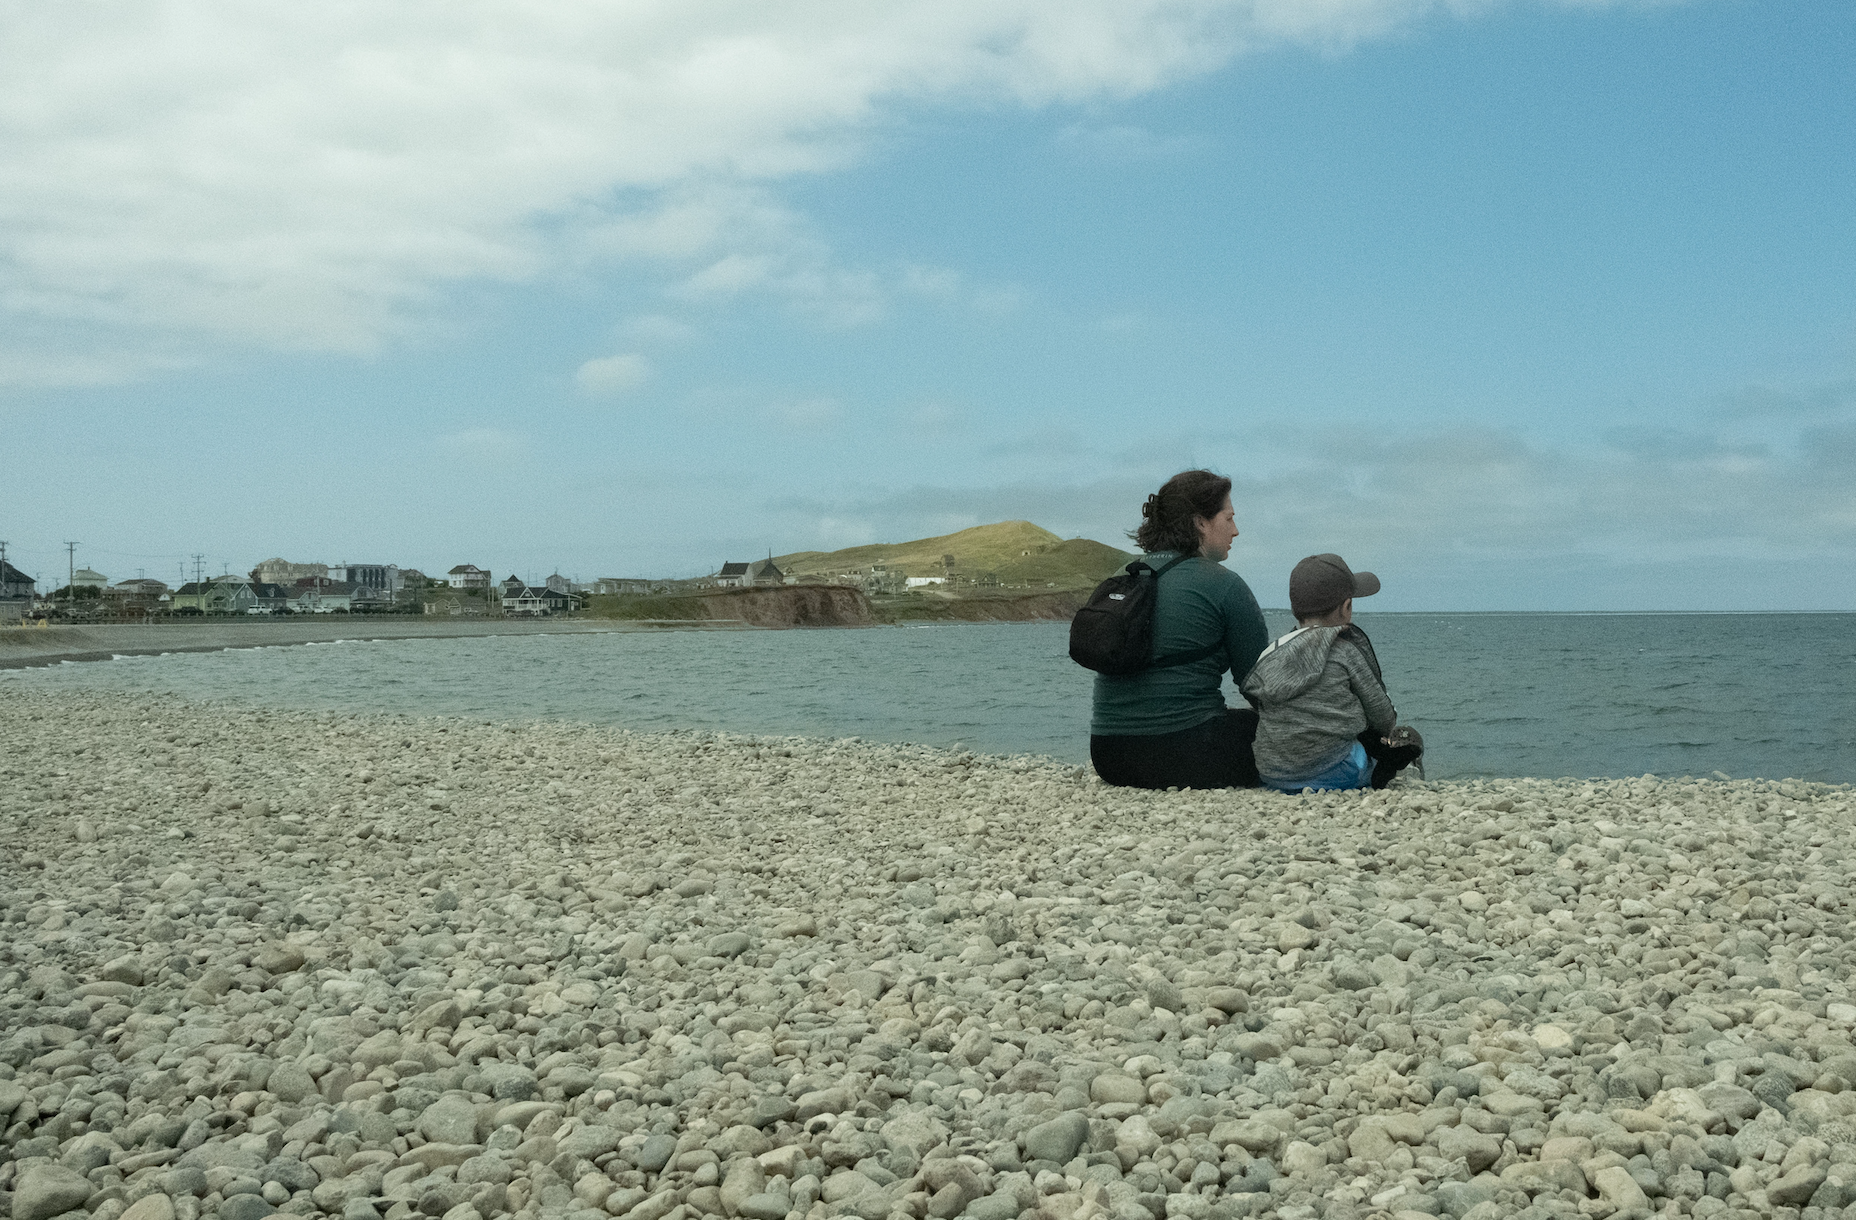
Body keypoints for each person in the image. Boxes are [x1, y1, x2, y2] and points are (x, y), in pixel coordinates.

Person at [1089, 470, 1270, 789]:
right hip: (1192, 755)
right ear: (1201, 522)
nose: (1236, 530)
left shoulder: (1120, 578)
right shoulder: (1225, 584)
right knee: (1274, 729)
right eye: (1229, 518)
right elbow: (1264, 688)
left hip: (1110, 757)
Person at [1239, 553, 1423, 792]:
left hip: (1275, 774)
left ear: (1296, 610)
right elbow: (1383, 718)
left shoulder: (1270, 654)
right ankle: (1410, 776)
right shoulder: (1345, 652)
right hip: (1337, 773)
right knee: (1406, 739)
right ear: (1346, 607)